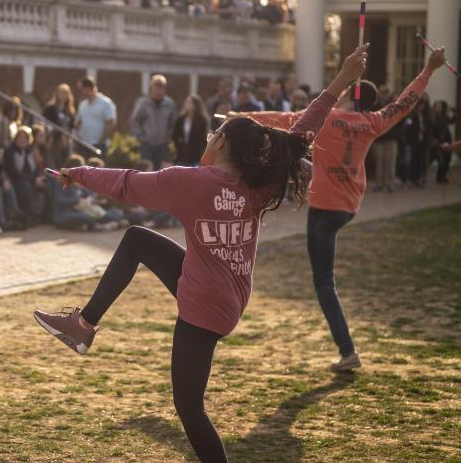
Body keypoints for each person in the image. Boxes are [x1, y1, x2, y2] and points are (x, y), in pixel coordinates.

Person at [33, 45, 369, 463]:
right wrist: (341, 81)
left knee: (189, 408)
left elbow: (124, 181)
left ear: (223, 141)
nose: (209, 135)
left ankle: (83, 326)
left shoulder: (188, 183)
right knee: (137, 239)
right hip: (224, 293)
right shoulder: (257, 182)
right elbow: (303, 133)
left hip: (204, 305)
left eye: (215, 132)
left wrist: (78, 174)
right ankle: (83, 324)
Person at [238, 45, 447, 372]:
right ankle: (346, 351)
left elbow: (283, 121)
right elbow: (405, 103)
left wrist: (241, 118)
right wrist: (429, 70)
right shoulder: (372, 123)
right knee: (304, 169)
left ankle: (347, 351)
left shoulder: (329, 119)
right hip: (348, 207)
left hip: (323, 209)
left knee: (323, 281)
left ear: (351, 94)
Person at [130, 74, 176, 170]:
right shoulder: (143, 102)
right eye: (157, 85)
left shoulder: (169, 104)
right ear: (152, 86)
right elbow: (135, 121)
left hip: (163, 145)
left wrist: (168, 137)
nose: (159, 88)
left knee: (161, 172)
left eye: (162, 86)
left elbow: (173, 123)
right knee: (145, 172)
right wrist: (140, 136)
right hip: (146, 144)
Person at [3, 126, 44, 223]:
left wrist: (37, 177)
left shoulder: (28, 151)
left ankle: (45, 216)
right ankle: (30, 215)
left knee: (46, 184)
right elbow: (13, 172)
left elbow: (35, 168)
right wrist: (33, 179)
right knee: (26, 186)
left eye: (25, 138)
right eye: (20, 138)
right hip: (13, 180)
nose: (22, 140)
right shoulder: (10, 151)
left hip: (27, 179)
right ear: (16, 138)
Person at [75, 76, 116, 160]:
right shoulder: (83, 104)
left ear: (88, 88)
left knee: (97, 171)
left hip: (99, 145)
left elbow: (110, 123)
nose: (81, 92)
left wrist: (101, 141)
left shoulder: (105, 103)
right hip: (83, 144)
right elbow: (78, 122)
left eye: (82, 89)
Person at [172, 94, 209, 166]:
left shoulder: (202, 120)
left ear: (195, 105)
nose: (186, 104)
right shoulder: (181, 119)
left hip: (195, 155)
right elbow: (175, 136)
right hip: (182, 154)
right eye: (186, 102)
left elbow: (203, 139)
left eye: (189, 102)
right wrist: (179, 146)